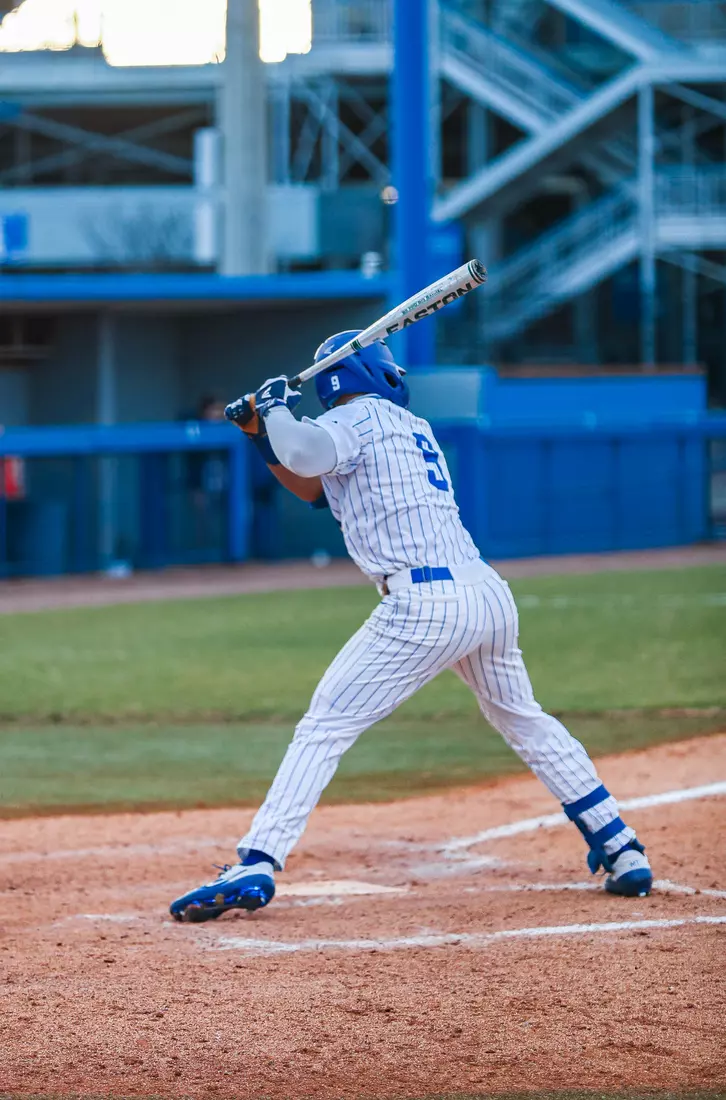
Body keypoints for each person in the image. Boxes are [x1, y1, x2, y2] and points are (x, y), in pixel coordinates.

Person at [170, 333, 653, 922]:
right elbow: (313, 486)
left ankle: (258, 858)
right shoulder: (402, 425)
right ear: (376, 371)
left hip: (424, 604)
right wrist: (260, 434)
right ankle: (619, 844)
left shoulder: (361, 416)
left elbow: (303, 453)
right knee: (525, 719)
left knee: (325, 725)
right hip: (485, 596)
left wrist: (274, 408)